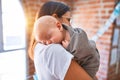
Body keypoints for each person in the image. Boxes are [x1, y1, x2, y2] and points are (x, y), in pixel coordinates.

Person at [28, 1, 95, 80]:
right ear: (56, 19)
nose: (71, 26)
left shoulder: (38, 46)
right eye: (68, 20)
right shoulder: (53, 50)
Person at [33, 15, 100, 78]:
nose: (48, 43)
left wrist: (70, 47)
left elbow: (86, 50)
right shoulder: (52, 47)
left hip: (90, 62)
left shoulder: (73, 37)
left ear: (59, 26)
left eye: (49, 37)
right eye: (44, 42)